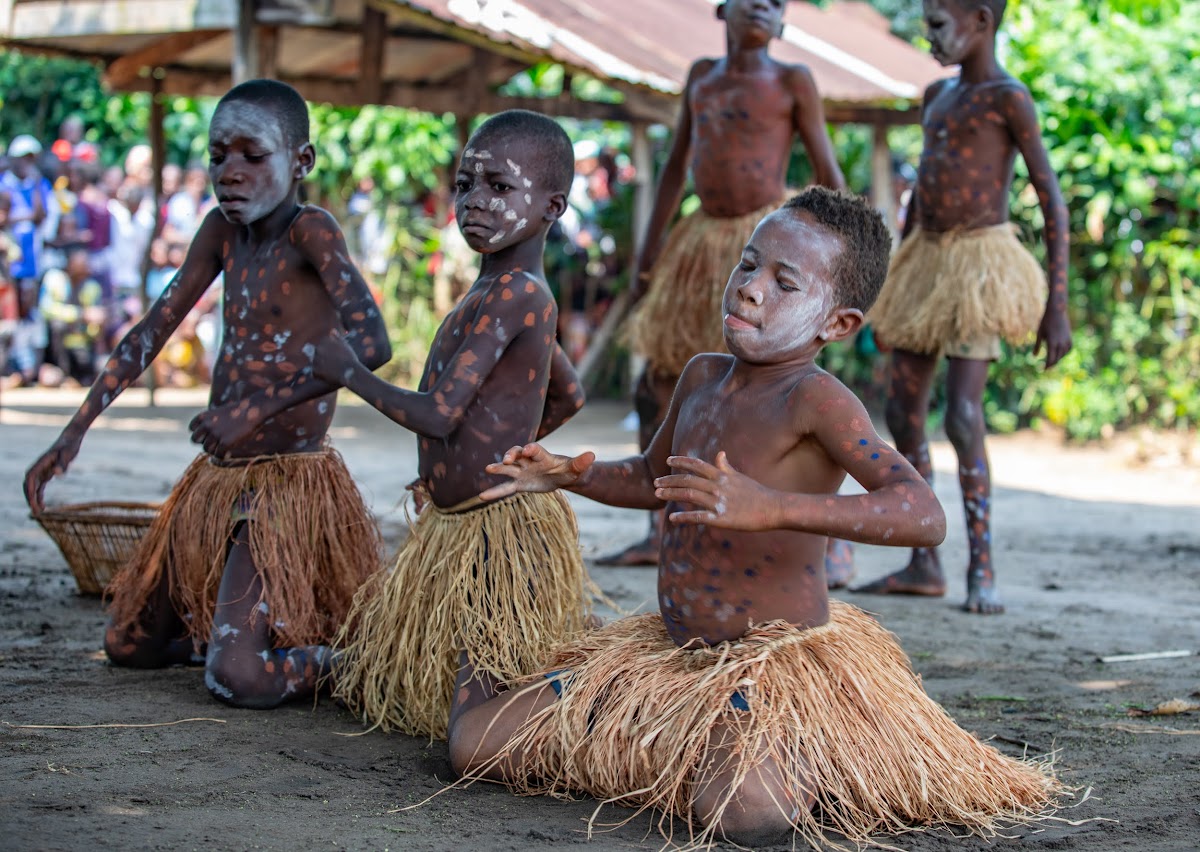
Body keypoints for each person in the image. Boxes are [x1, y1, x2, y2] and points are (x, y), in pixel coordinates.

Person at [445, 188, 1062, 848]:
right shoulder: (701, 376)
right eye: (748, 264)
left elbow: (922, 513)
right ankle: (629, 714)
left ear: (838, 324)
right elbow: (657, 480)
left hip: (770, 667)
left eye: (783, 281)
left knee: (747, 816)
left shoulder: (817, 400)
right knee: (472, 748)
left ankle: (810, 745)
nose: (749, 289)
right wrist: (572, 474)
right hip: (674, 653)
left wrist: (771, 507)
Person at [23, 79, 390, 709]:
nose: (230, 172)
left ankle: (353, 662)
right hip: (218, 479)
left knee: (238, 680)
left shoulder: (312, 232)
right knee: (128, 644)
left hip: (284, 485)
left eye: (252, 155)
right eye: (219, 156)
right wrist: (73, 430)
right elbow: (153, 328)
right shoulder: (221, 232)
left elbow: (373, 345)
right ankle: (239, 634)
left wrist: (256, 408)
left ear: (301, 162)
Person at [309, 109, 597, 740]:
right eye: (465, 184)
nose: (474, 201)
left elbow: (439, 412)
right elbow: (569, 394)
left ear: (552, 207)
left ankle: (587, 691)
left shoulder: (513, 293)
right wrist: (496, 448)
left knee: (473, 728)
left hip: (496, 539)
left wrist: (349, 371)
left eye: (499, 186)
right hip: (461, 527)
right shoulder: (504, 290)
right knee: (392, 685)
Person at [606, 0, 847, 572]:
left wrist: (836, 271)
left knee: (773, 388)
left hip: (762, 243)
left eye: (776, 2)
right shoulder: (701, 77)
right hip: (698, 245)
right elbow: (673, 167)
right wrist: (647, 260)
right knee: (661, 380)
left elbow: (828, 175)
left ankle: (827, 544)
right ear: (723, 9)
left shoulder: (794, 81)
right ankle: (660, 523)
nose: (762, 7)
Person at [853, 0, 1070, 614]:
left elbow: (1052, 201)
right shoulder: (936, 98)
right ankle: (924, 558)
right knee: (900, 409)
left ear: (981, 20)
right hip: (927, 262)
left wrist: (1059, 305)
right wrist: (897, 277)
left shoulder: (1009, 98)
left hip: (981, 265)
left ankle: (983, 563)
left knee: (963, 417)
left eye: (938, 25)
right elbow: (922, 189)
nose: (930, 38)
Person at [38, 246, 105, 387]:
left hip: (81, 341)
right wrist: (80, 315)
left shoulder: (91, 286)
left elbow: (96, 318)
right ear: (70, 265)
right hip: (57, 344)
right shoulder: (55, 278)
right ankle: (61, 372)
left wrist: (96, 324)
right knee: (58, 325)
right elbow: (46, 309)